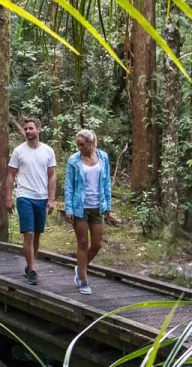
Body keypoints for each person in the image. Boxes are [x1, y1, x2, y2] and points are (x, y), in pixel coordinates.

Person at [6, 117, 56, 286]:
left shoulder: (48, 151)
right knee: (28, 234)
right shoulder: (19, 151)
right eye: (25, 129)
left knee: (37, 236)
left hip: (41, 197)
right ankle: (33, 270)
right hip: (24, 196)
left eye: (30, 128)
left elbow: (52, 175)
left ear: (38, 130)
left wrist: (51, 198)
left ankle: (29, 265)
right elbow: (11, 174)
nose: (27, 131)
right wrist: (8, 198)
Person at [64, 128, 113, 296]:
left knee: (97, 243)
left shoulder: (103, 157)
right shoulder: (74, 160)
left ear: (90, 143)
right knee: (83, 243)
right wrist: (68, 208)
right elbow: (69, 185)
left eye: (82, 144)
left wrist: (108, 205)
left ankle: (80, 268)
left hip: (97, 205)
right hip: (80, 206)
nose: (79, 147)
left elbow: (106, 182)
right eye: (77, 144)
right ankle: (84, 280)